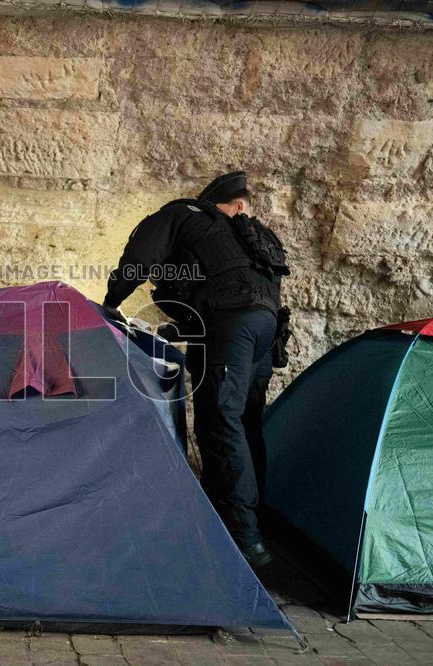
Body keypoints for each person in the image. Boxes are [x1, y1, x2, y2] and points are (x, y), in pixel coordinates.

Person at [102, 171, 289, 568]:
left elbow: (141, 257)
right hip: (265, 330)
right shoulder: (250, 238)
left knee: (220, 421)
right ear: (237, 205)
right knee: (246, 422)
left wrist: (111, 300)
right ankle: (249, 526)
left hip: (232, 324)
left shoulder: (183, 213)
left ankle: (242, 539)